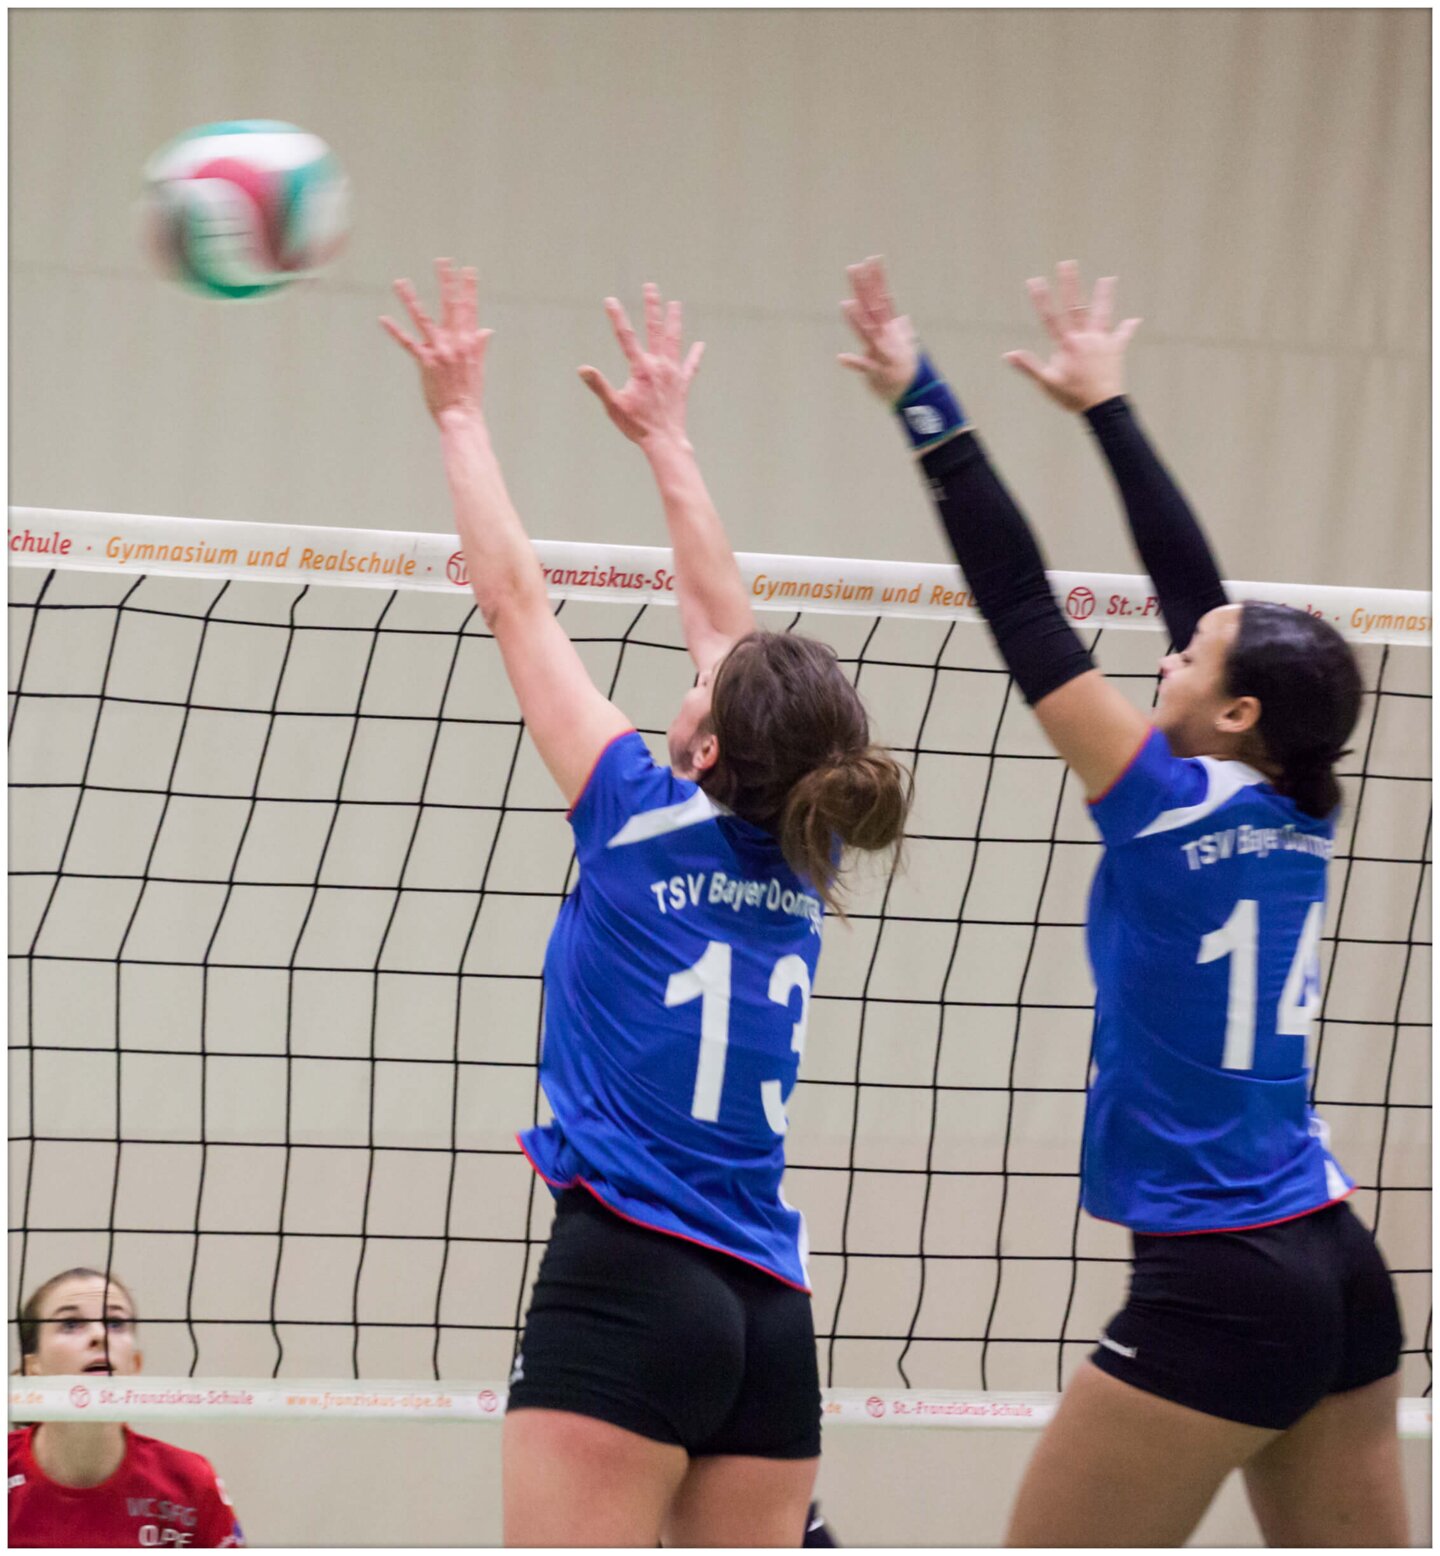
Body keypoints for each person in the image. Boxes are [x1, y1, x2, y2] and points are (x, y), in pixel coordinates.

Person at [838, 257, 1407, 1547]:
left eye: (1192, 659)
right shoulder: (1301, 806)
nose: (1171, 649)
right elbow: (1207, 601)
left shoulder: (1162, 804)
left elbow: (1022, 607)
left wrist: (925, 403)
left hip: (1221, 1279)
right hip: (1336, 1264)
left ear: (1239, 710)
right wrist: (1107, 407)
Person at [383, 264, 910, 1546]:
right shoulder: (808, 849)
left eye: (704, 693)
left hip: (628, 1276)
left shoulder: (633, 807)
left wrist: (459, 415)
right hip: (770, 1319)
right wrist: (668, 441)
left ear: (710, 750)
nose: (693, 677)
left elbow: (513, 599)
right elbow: (729, 631)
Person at [9, 1268, 243, 1547]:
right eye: (70, 1323)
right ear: (32, 1370)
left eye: (115, 1322)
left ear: (135, 1364)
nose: (99, 1335)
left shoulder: (191, 1482)